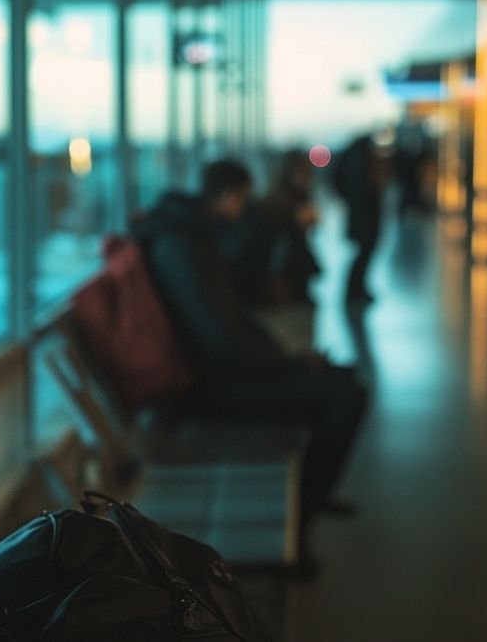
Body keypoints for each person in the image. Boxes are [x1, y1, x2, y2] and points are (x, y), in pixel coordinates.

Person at [131, 159, 368, 577]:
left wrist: (291, 362)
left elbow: (227, 328)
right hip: (209, 388)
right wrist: (291, 365)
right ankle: (300, 520)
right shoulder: (183, 247)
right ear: (229, 196)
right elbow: (221, 342)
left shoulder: (184, 239)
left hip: (214, 373)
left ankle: (310, 494)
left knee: (342, 381)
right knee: (346, 396)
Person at [261, 149, 321, 305]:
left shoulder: (296, 197)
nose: (306, 175)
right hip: (287, 268)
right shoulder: (284, 201)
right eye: (301, 170)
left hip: (295, 265)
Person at [331, 134, 386, 304]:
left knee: (361, 253)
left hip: (358, 214)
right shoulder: (361, 161)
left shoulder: (351, 158)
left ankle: (355, 289)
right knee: (364, 252)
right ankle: (355, 290)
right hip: (365, 216)